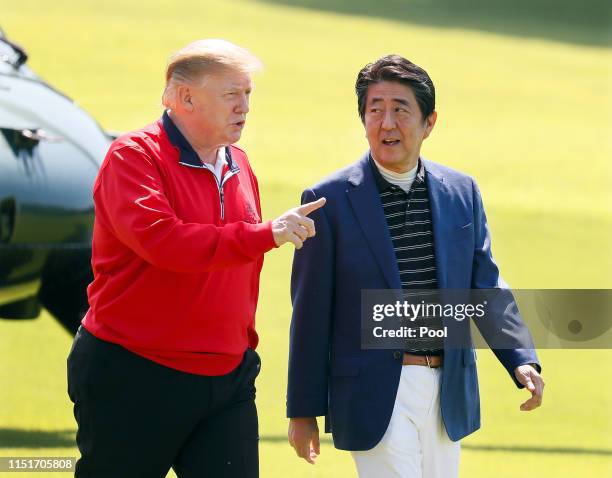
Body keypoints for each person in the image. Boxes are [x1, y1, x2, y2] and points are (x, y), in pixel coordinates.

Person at [67, 39, 324, 478]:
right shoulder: (133, 157)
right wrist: (267, 234)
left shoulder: (240, 162)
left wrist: (243, 346)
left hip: (227, 378)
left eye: (247, 94)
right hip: (135, 374)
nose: (244, 106)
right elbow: (166, 243)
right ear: (185, 97)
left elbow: (241, 271)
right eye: (231, 95)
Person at [286, 55, 544, 478]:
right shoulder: (327, 200)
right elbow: (310, 311)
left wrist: (521, 358)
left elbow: (486, 285)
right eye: (375, 109)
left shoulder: (462, 192)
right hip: (372, 393)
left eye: (400, 109)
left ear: (429, 122)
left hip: (448, 390)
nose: (386, 123)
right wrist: (303, 410)